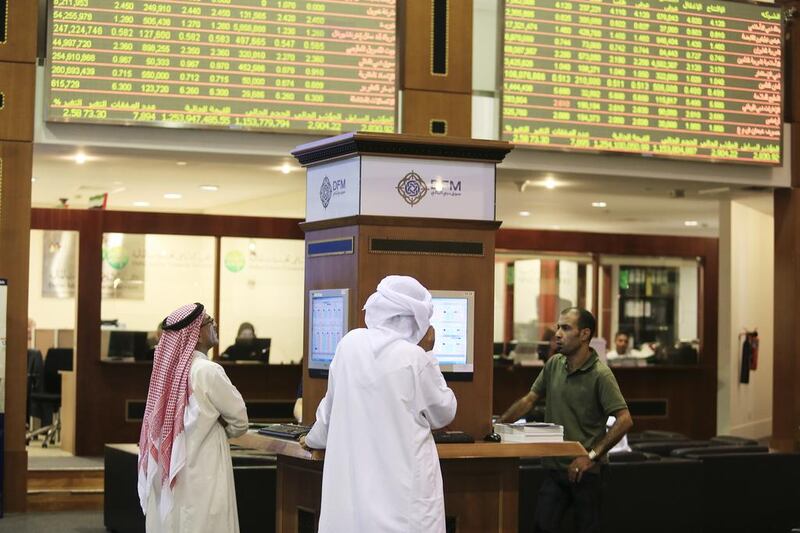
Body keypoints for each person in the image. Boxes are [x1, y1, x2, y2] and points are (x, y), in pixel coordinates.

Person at [300, 275, 457, 533]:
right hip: (403, 499)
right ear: (417, 320)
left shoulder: (349, 344)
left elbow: (328, 411)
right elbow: (444, 411)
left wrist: (313, 439)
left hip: (354, 500)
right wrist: (429, 354)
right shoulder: (414, 358)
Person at [498, 307, 633, 533]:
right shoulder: (554, 364)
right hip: (555, 469)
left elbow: (625, 420)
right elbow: (529, 399)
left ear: (584, 335)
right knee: (542, 527)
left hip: (587, 473)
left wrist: (590, 457)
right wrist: (498, 425)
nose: (558, 333)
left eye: (566, 328)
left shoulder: (601, 374)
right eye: (558, 327)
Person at [138, 303, 249, 533]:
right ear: (197, 333)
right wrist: (222, 431)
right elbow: (240, 421)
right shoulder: (206, 371)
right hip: (205, 470)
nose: (214, 325)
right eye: (210, 322)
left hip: (174, 469)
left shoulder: (172, 372)